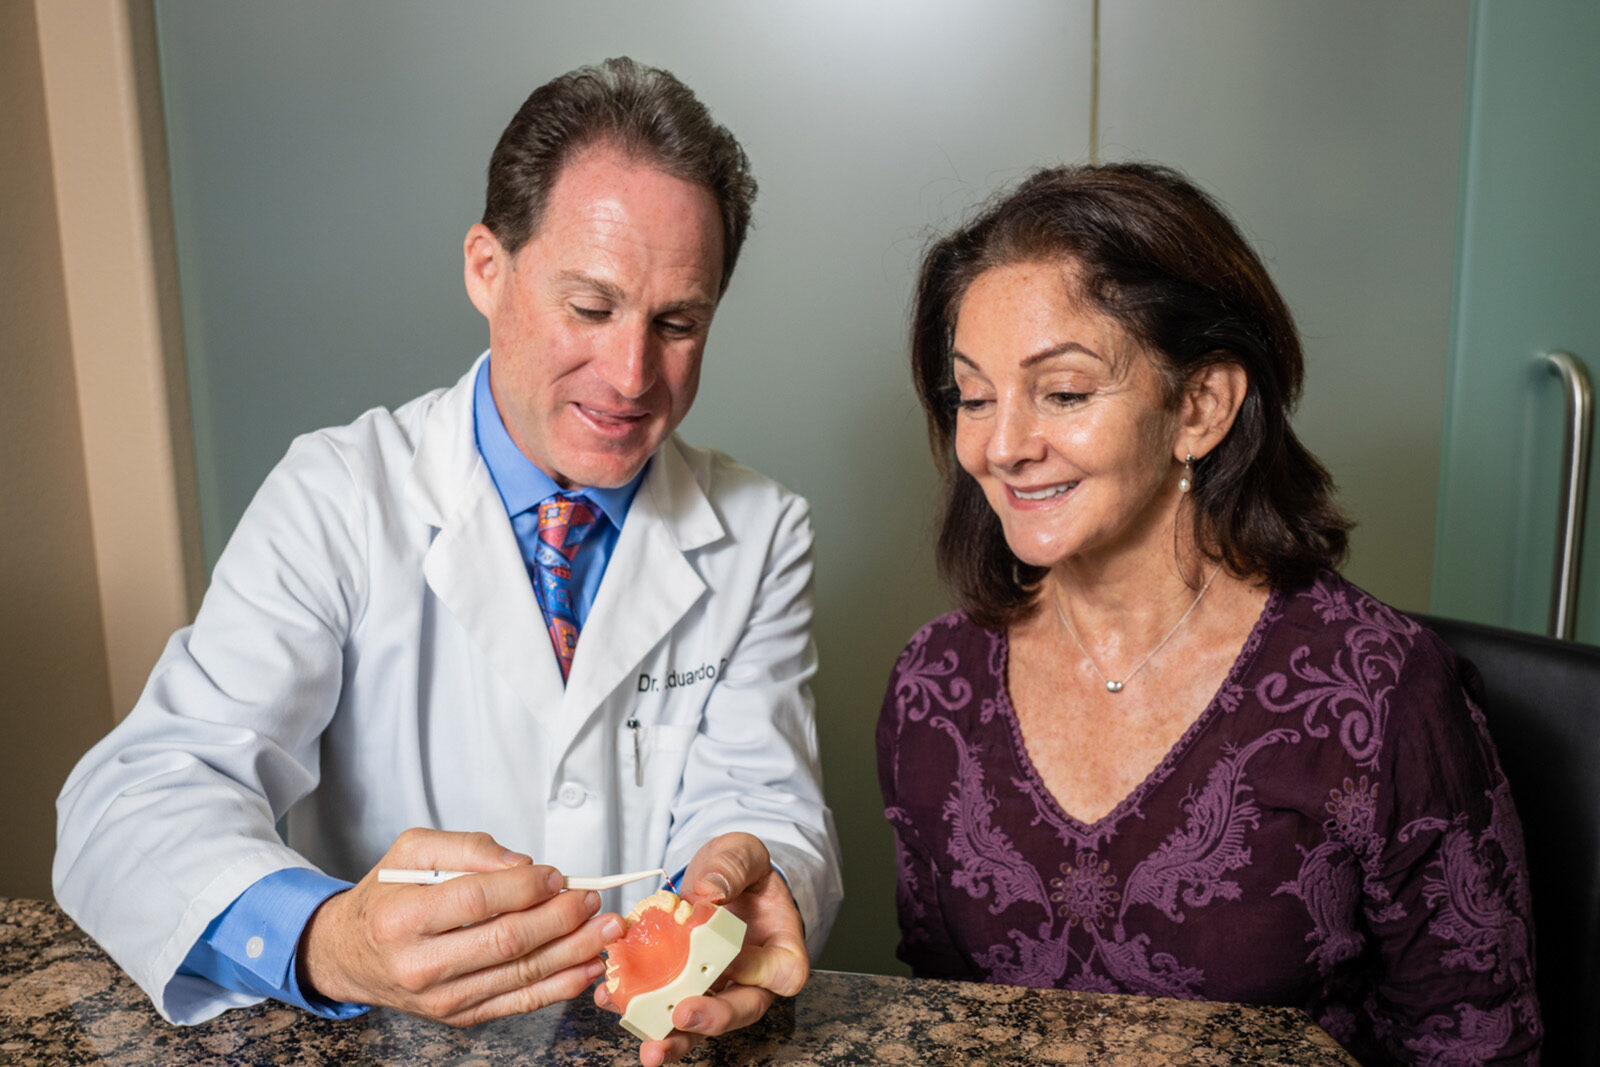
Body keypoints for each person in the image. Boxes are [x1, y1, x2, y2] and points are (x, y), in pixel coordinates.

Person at [55, 57, 841, 1066]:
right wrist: (327, 940)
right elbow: (131, 800)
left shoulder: (760, 529)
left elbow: (759, 799)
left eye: (677, 323)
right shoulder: (337, 494)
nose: (632, 373)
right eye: (591, 307)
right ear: (486, 266)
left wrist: (747, 874)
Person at [877, 163, 1540, 1065]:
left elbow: (1475, 1045)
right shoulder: (934, 685)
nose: (1002, 446)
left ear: (1201, 406)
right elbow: (943, 1024)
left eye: (1064, 392)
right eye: (976, 395)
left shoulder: (1379, 696)